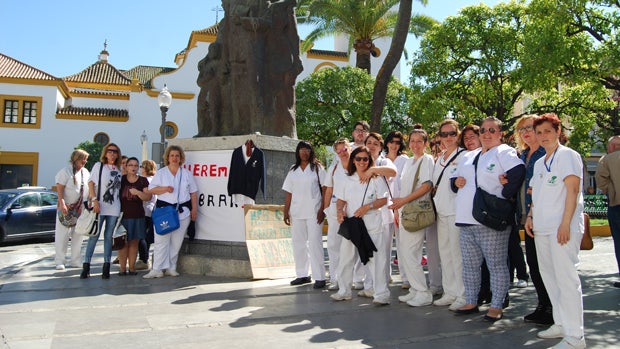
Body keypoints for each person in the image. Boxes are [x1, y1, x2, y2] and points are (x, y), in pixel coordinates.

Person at [451, 117, 524, 321]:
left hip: (490, 219)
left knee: (496, 265)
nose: (486, 134)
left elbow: (518, 171)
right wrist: (455, 181)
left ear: (500, 133)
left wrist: (507, 192)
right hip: (466, 219)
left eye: (492, 130)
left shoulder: (503, 152)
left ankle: (497, 304)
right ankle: (472, 300)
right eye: (483, 130)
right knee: (470, 265)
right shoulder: (469, 155)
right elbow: (453, 182)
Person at [525, 113, 586, 349]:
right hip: (542, 228)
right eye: (539, 132)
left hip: (563, 227)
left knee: (566, 279)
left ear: (558, 131)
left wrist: (565, 223)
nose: (543, 137)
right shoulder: (540, 162)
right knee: (549, 277)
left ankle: (575, 336)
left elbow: (572, 191)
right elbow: (535, 196)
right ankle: (560, 323)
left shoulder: (568, 156)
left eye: (548, 131)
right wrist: (530, 217)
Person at [331, 146, 391, 304]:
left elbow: (383, 199)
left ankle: (381, 293)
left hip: (371, 222)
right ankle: (344, 290)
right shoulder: (347, 178)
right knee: (345, 258)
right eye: (358, 159)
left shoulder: (376, 178)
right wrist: (339, 211)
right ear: (353, 160)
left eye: (365, 159)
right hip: (352, 223)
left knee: (375, 259)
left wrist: (367, 207)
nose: (362, 162)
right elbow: (341, 199)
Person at [388, 127, 435, 307]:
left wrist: (403, 202)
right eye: (412, 141)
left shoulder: (427, 160)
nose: (415, 145)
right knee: (405, 253)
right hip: (405, 210)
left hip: (416, 211)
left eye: (419, 141)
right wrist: (398, 210)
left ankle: (423, 292)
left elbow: (426, 186)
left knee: (411, 253)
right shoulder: (409, 162)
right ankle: (415, 289)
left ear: (426, 144)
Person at [513, 115, 551, 324]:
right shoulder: (524, 155)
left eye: (530, 128)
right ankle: (542, 305)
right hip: (527, 218)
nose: (526, 132)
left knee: (547, 265)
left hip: (544, 217)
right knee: (534, 264)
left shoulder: (547, 153)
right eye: (521, 130)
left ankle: (553, 307)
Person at [143, 145, 198, 278]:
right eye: (172, 155)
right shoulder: (161, 173)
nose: (174, 158)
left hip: (182, 211)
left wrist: (194, 209)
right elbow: (151, 190)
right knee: (161, 240)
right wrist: (165, 189)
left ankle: (171, 267)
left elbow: (193, 193)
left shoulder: (186, 174)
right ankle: (157, 269)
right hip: (164, 211)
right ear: (167, 157)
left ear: (181, 158)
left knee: (176, 241)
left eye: (177, 156)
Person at [431, 119, 468, 311]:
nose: (448, 138)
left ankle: (462, 295)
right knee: (444, 254)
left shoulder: (464, 156)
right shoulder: (440, 158)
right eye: (444, 134)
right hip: (441, 212)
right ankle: (450, 292)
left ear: (458, 134)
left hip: (456, 212)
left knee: (457, 255)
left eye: (452, 133)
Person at [282, 141, 327, 288]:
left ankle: (319, 277)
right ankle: (302, 275)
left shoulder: (317, 168)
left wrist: (322, 210)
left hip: (314, 212)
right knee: (298, 244)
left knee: (315, 244)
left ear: (311, 151)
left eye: (307, 149)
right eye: (301, 149)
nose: (304, 152)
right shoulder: (292, 170)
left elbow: (326, 189)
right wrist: (286, 210)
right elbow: (289, 192)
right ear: (298, 152)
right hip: (296, 212)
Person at [360, 132, 397, 298]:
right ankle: (370, 284)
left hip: (383, 214)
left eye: (376, 143)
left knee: (382, 252)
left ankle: (381, 285)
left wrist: (374, 169)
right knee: (368, 251)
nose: (372, 145)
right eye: (369, 142)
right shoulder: (362, 161)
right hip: (366, 214)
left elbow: (393, 172)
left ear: (381, 147)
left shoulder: (383, 161)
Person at [81, 143, 123, 280]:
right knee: (94, 235)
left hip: (114, 206)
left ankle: (106, 266)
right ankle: (86, 265)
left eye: (115, 152)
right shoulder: (99, 166)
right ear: (105, 153)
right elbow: (91, 183)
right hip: (100, 205)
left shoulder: (120, 168)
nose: (112, 154)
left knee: (108, 236)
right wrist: (94, 200)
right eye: (110, 151)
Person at [323, 138, 352, 290]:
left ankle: (355, 278)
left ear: (349, 148)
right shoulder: (334, 168)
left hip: (354, 211)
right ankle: (335, 277)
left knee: (352, 247)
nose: (342, 153)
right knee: (334, 245)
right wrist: (326, 208)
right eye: (339, 151)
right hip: (335, 212)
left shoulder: (359, 164)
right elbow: (328, 189)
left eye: (344, 149)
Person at [54, 149, 90, 270]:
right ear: (75, 159)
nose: (84, 161)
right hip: (67, 208)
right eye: (82, 158)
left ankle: (75, 260)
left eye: (86, 159)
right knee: (62, 235)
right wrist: (62, 203)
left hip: (80, 209)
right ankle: (60, 260)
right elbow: (60, 189)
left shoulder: (85, 172)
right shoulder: (65, 171)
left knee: (78, 235)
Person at [384, 131, 409, 288]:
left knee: (403, 244)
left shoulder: (405, 160)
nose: (394, 145)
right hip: (384, 206)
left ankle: (406, 278)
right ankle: (385, 276)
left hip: (401, 205)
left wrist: (400, 208)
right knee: (384, 244)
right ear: (387, 142)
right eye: (392, 141)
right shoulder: (381, 160)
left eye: (398, 142)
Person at [118, 157, 152, 275]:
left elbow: (148, 197)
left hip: (137, 215)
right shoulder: (121, 180)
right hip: (122, 216)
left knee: (134, 243)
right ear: (126, 167)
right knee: (122, 243)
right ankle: (122, 268)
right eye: (131, 165)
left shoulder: (143, 181)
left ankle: (131, 268)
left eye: (136, 165)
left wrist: (138, 193)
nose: (133, 167)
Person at [596, 135, 620, 288]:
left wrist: (610, 192)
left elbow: (601, 181)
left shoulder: (606, 159)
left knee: (619, 242)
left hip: (616, 205)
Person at [136, 160, 157, 270]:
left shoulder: (144, 180)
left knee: (141, 236)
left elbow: (144, 195)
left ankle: (143, 259)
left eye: (141, 166)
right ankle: (144, 257)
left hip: (143, 209)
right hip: (151, 210)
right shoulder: (155, 180)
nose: (140, 168)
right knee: (146, 236)